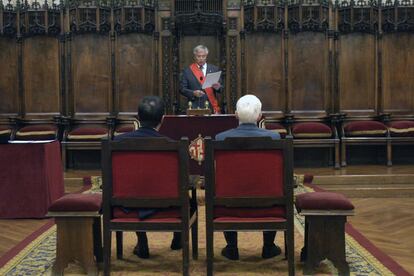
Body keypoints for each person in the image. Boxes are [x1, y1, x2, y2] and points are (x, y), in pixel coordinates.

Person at [215, 94, 281, 260]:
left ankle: (231, 247)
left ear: (236, 114)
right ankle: (268, 246)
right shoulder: (274, 138)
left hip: (228, 206)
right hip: (269, 206)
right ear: (260, 116)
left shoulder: (220, 139)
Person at [114, 96, 181, 259]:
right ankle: (177, 239)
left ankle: (141, 240)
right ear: (163, 119)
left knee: (137, 189)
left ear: (138, 118)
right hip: (165, 206)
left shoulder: (117, 142)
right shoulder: (173, 145)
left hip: (126, 205)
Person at [180, 45, 223, 113]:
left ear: (206, 56)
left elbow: (221, 88)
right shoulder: (187, 71)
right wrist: (193, 93)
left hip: (211, 107)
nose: (201, 58)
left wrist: (218, 87)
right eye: (198, 56)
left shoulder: (214, 69)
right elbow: (182, 89)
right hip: (194, 108)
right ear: (194, 57)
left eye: (203, 56)